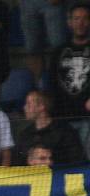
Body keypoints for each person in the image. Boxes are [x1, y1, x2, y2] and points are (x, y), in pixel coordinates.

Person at [50, 2, 90, 151]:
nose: (81, 23)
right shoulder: (58, 51)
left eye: (85, 18)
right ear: (69, 23)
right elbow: (52, 83)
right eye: (77, 18)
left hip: (87, 118)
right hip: (62, 117)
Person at [13, 90, 85, 166]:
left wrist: (51, 160)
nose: (25, 107)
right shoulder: (25, 134)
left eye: (29, 104)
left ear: (41, 106)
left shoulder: (64, 131)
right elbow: (16, 163)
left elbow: (77, 160)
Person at [21, 0, 67, 82]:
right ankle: (38, 86)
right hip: (27, 3)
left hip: (52, 3)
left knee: (59, 45)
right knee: (32, 48)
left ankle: (63, 84)